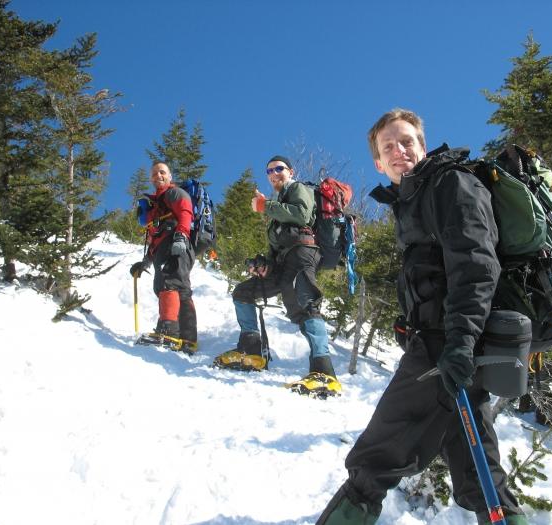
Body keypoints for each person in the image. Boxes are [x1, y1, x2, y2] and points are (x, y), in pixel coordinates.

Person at [316, 109, 528, 524]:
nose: (400, 151)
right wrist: (410, 321)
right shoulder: (414, 199)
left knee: (374, 460)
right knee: (476, 470)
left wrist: (460, 342)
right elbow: (434, 271)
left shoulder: (449, 183)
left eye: (407, 140)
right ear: (378, 162)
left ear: (422, 145)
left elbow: (475, 265)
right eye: (388, 146)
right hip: (448, 341)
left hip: (448, 344)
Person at [212, 155, 341, 398]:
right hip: (284, 264)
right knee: (243, 293)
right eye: (269, 170)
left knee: (306, 303)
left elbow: (302, 216)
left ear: (290, 171)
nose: (274, 173)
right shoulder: (277, 209)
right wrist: (263, 265)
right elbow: (276, 250)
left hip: (303, 253)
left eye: (279, 169)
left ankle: (325, 372)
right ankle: (251, 351)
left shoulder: (298, 189)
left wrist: (265, 206)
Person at [130, 161, 198, 353]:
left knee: (168, 282)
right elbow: (154, 238)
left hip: (177, 243)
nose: (158, 176)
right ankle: (188, 339)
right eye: (154, 174)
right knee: (180, 288)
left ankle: (168, 331)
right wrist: (146, 261)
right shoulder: (156, 205)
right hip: (167, 247)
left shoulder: (173, 193)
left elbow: (186, 211)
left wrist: (181, 236)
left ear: (170, 176)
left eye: (162, 172)